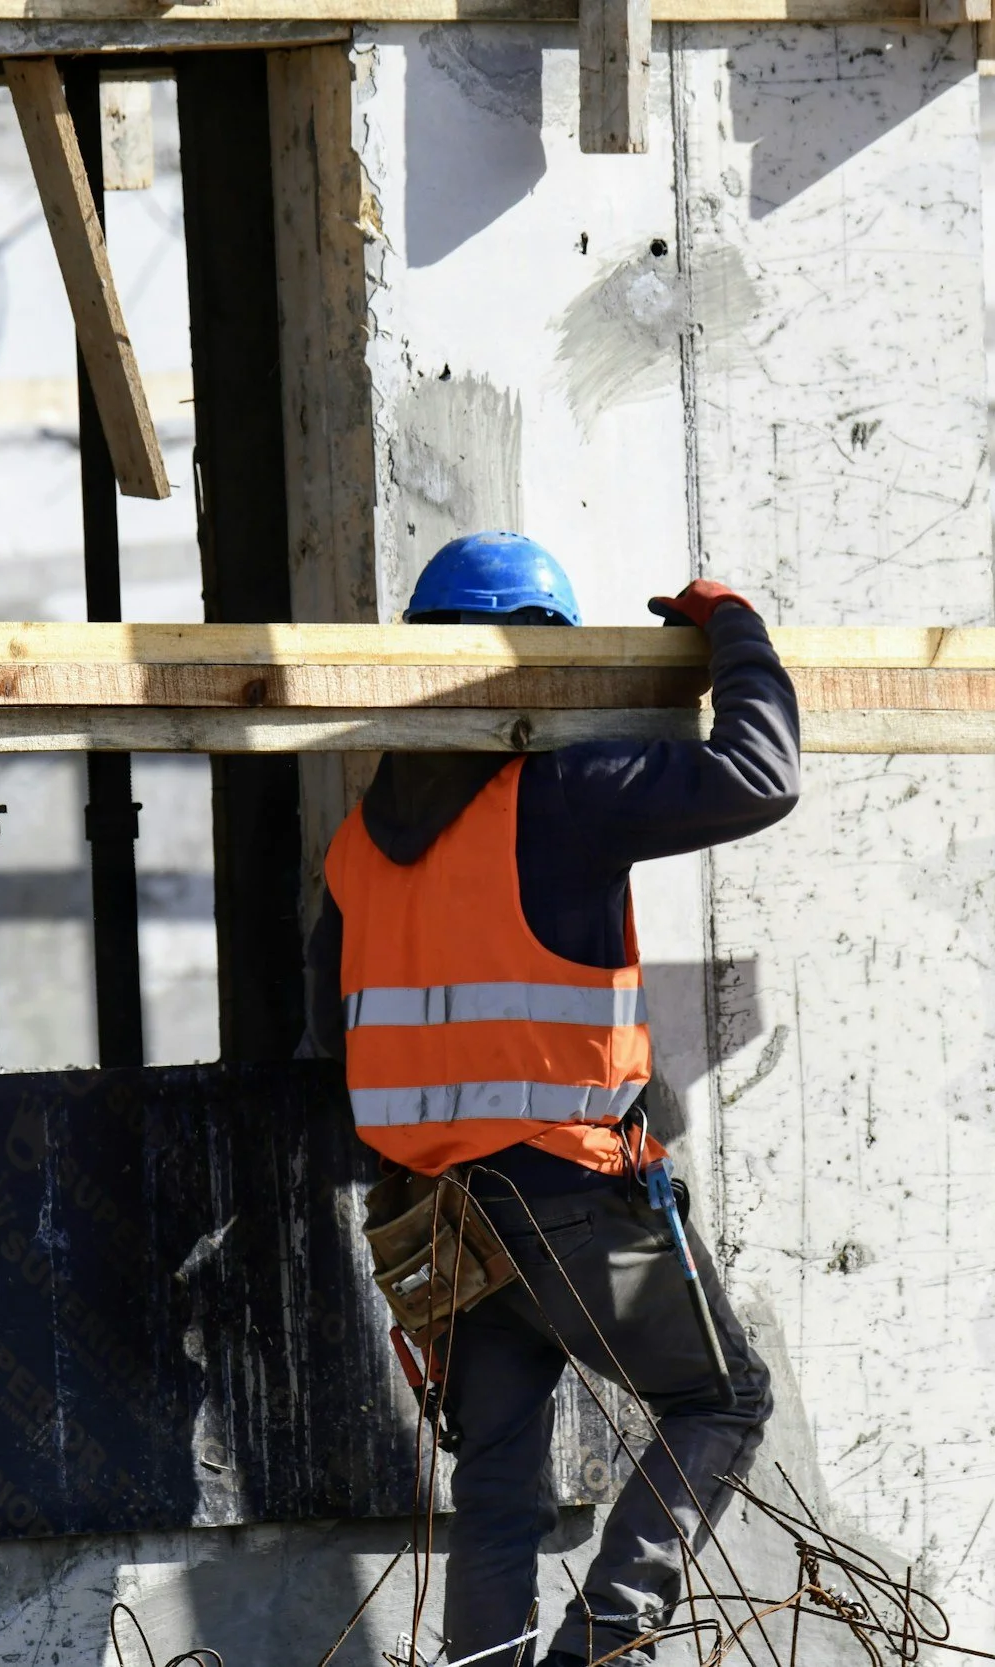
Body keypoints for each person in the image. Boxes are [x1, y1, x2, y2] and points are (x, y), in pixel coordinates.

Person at [305, 530, 801, 1667]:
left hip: (437, 1209)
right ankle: (597, 1648)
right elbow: (763, 774)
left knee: (496, 1487)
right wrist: (731, 626)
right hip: (564, 1184)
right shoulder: (565, 791)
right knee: (719, 1399)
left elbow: (325, 1035)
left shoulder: (357, 848)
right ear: (547, 664)